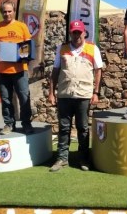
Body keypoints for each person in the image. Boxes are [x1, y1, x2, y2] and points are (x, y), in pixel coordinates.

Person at [48, 20, 102, 172]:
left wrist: (96, 92)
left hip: (83, 94)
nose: (77, 35)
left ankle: (83, 158)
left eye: (79, 32)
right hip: (65, 94)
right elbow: (55, 71)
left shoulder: (93, 48)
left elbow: (98, 70)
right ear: (70, 33)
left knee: (83, 128)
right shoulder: (62, 48)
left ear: (84, 32)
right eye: (74, 32)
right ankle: (62, 158)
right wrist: (51, 93)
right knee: (64, 128)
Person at [0, 0, 34, 135]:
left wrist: (23, 57)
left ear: (14, 11)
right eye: (4, 11)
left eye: (9, 11)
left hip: (20, 70)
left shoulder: (22, 26)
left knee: (24, 97)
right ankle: (9, 124)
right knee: (6, 98)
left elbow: (28, 46)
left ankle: (26, 123)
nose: (7, 14)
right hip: (1, 70)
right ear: (1, 12)